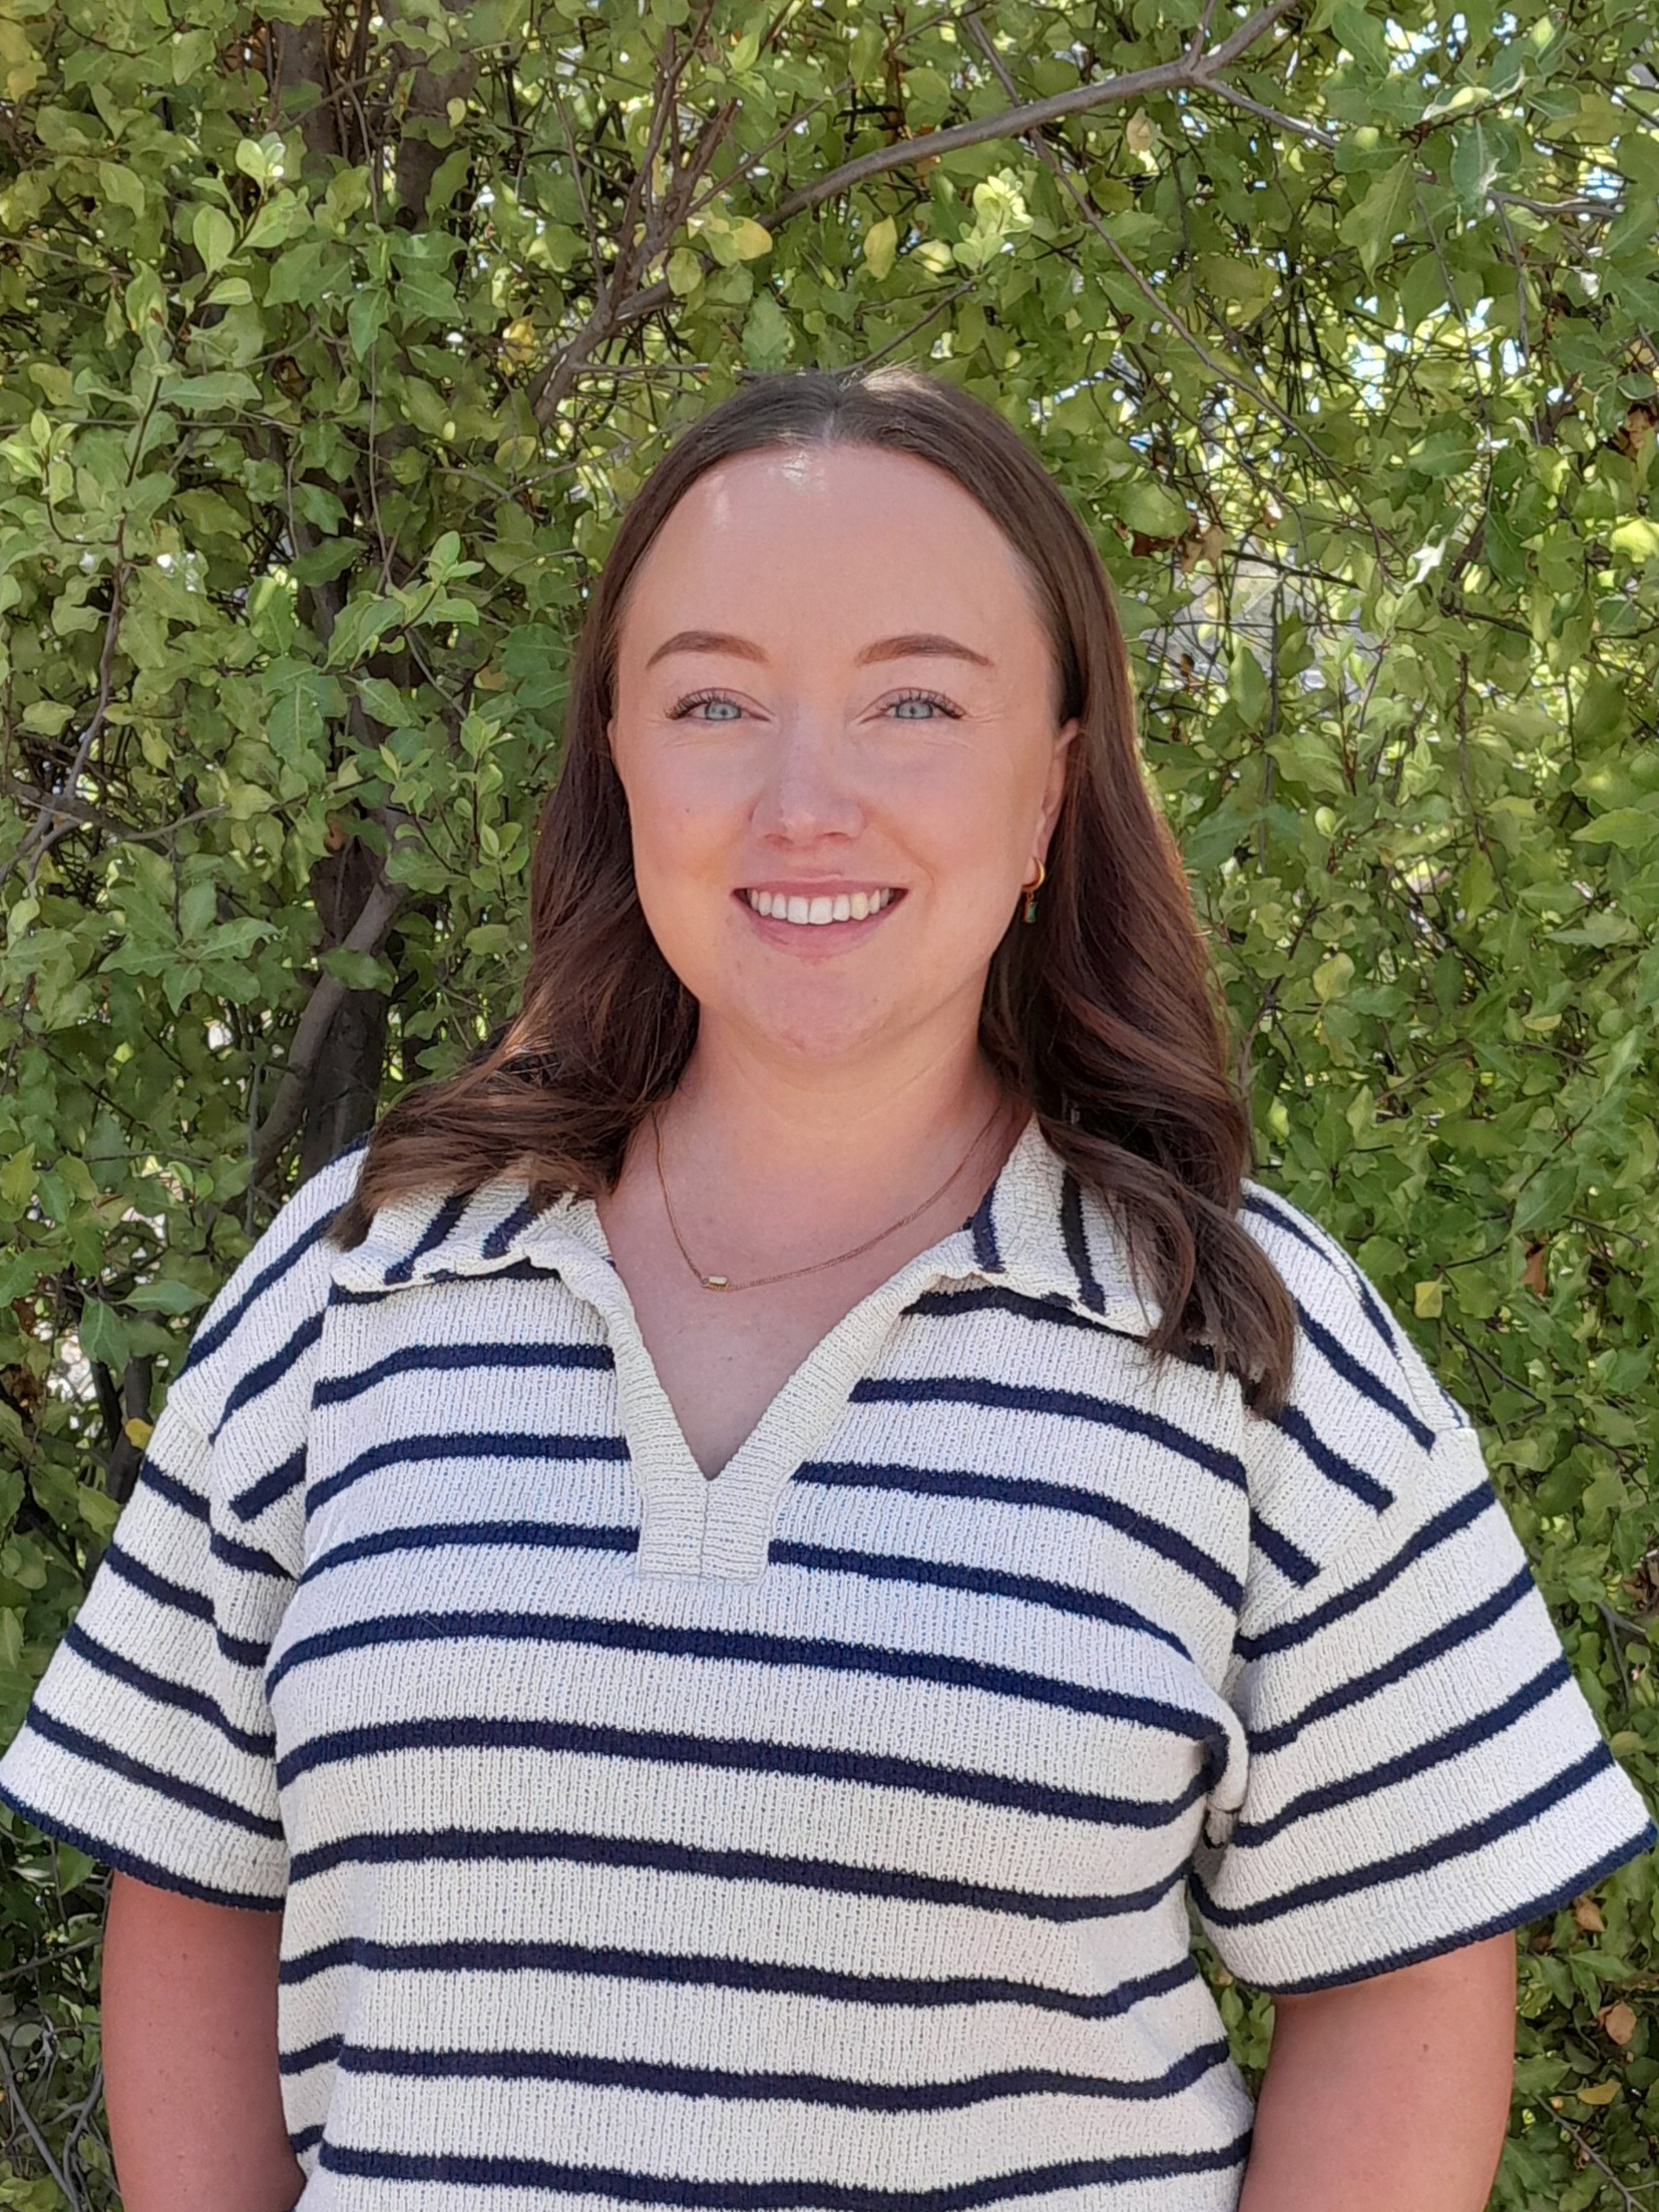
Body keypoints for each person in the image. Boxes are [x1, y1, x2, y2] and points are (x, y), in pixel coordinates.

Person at [1, 366, 1651, 2212]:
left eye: (916, 702)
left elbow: (1408, 1965)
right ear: (618, 759)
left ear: (1049, 788)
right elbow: (196, 1886)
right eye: (714, 699)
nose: (807, 800)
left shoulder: (1248, 1333)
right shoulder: (351, 1286)